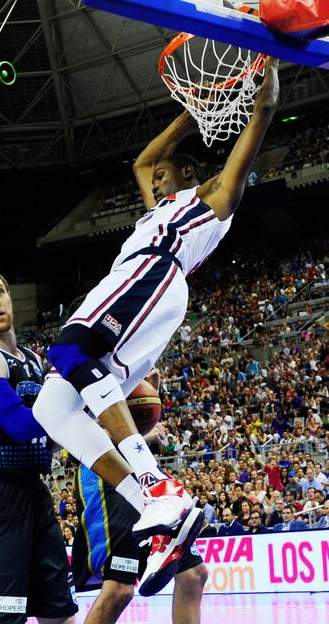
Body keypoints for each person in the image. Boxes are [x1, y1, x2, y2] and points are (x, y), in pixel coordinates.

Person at [32, 57, 280, 547]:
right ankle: (160, 508)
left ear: (187, 172)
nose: (155, 180)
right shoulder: (161, 206)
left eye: (166, 175)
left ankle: (159, 487)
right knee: (52, 408)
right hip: (136, 284)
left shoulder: (210, 200)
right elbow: (142, 162)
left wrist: (265, 92)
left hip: (153, 275)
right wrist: (191, 112)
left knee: (67, 350)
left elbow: (263, 115)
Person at [0, 268, 78, 624]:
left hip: (34, 490)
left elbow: (52, 438)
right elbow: (20, 426)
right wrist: (74, 392)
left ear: (10, 298)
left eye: (0, 291)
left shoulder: (34, 361)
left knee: (60, 611)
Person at [72, 419, 208, 624]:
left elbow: (148, 401)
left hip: (143, 472)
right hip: (104, 469)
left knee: (194, 573)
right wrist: (140, 437)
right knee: (119, 589)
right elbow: (77, 431)